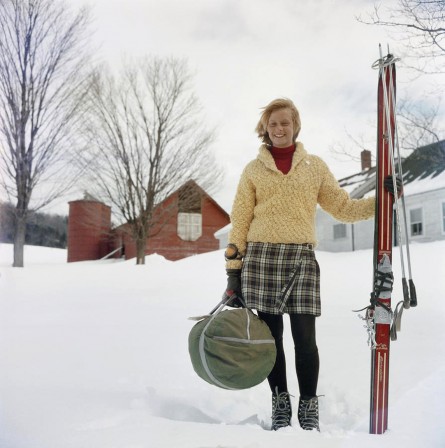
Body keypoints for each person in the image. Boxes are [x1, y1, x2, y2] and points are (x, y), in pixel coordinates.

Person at [224, 98, 400, 432]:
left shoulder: (314, 166)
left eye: (285, 123)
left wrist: (383, 199)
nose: (279, 129)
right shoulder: (252, 170)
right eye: (273, 123)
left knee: (305, 340)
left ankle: (308, 406)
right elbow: (240, 221)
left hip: (301, 259)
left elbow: (343, 207)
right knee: (270, 340)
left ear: (295, 125)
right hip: (261, 260)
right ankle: (280, 403)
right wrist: (234, 272)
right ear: (265, 128)